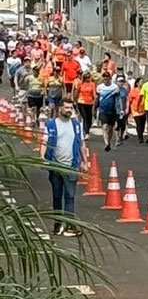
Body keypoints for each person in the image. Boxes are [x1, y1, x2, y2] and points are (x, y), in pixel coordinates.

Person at [43, 98, 87, 237]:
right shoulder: (51, 125)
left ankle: (69, 225)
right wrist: (42, 158)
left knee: (70, 196)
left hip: (71, 166)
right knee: (57, 197)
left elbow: (81, 144)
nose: (69, 111)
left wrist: (85, 162)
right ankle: (58, 225)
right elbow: (44, 142)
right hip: (55, 166)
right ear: (60, 108)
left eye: (71, 108)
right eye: (66, 108)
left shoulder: (76, 125)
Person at [95, 72, 122, 152]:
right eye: (104, 78)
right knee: (105, 126)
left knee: (110, 128)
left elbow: (118, 99)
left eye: (107, 77)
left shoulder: (115, 87)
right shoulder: (100, 87)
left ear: (110, 78)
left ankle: (109, 142)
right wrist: (94, 108)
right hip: (103, 110)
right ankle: (106, 143)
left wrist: (121, 109)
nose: (106, 79)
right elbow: (97, 98)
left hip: (112, 110)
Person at [73, 70, 97, 136]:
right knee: (85, 117)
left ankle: (87, 129)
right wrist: (75, 100)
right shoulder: (81, 84)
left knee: (89, 118)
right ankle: (86, 132)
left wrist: (95, 100)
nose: (87, 78)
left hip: (90, 103)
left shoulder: (92, 84)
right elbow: (76, 92)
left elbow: (94, 93)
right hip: (81, 102)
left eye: (88, 77)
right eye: (86, 77)